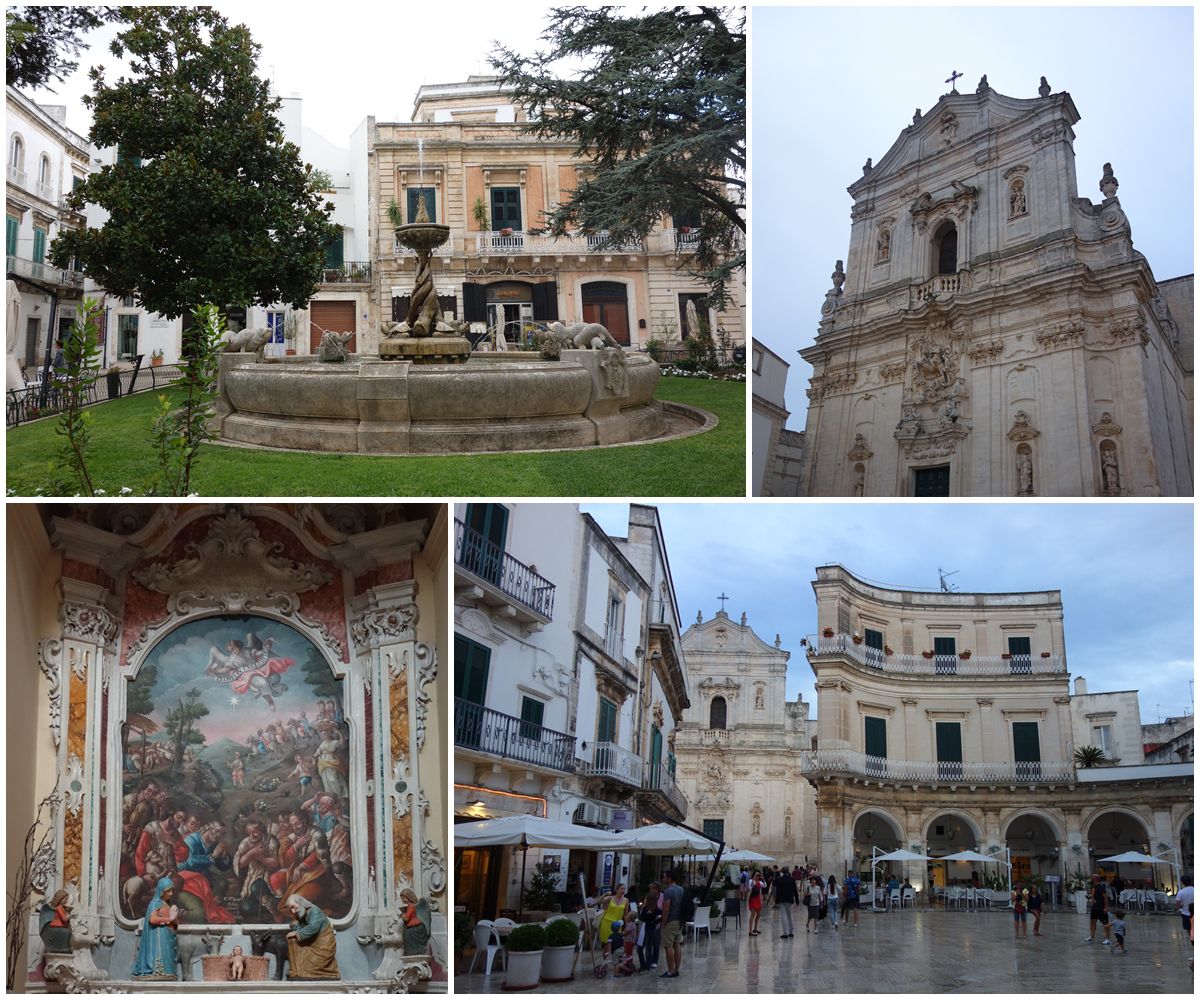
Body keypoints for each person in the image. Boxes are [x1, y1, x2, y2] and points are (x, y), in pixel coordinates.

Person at [131, 876, 179, 980]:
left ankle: (168, 971)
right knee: (160, 956)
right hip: (158, 937)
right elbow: (152, 920)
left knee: (168, 956)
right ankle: (158, 970)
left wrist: (174, 920)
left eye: (171, 891)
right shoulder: (155, 904)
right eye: (168, 891)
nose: (170, 894)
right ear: (162, 891)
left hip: (167, 936)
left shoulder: (165, 904)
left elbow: (172, 921)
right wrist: (169, 919)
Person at [285, 895, 340, 979]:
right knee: (292, 940)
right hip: (312, 942)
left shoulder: (315, 911)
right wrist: (296, 923)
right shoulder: (303, 913)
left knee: (308, 968)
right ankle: (295, 970)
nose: (293, 911)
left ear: (301, 903)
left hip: (323, 946)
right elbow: (302, 929)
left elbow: (313, 928)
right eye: (291, 910)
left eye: (293, 907)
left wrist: (295, 933)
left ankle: (329, 972)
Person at [659, 870, 684, 980]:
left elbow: (666, 908)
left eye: (664, 877)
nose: (663, 879)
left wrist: (663, 923)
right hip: (679, 920)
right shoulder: (681, 889)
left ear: (669, 878)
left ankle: (670, 971)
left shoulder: (668, 891)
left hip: (670, 921)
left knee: (668, 946)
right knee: (677, 944)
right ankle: (677, 969)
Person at [597, 884, 630, 962]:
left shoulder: (626, 900)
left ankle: (617, 963)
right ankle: (605, 963)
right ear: (617, 889)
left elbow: (625, 915)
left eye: (624, 889)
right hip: (607, 922)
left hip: (617, 924)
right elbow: (599, 901)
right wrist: (605, 894)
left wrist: (626, 926)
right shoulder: (610, 898)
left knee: (617, 944)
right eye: (621, 888)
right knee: (606, 944)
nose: (623, 890)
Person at [637, 882, 661, 971]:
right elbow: (641, 917)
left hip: (650, 929)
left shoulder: (655, 909)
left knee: (648, 948)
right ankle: (643, 964)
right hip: (644, 928)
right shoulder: (645, 908)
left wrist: (651, 918)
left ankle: (648, 966)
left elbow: (657, 919)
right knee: (639, 948)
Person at [773, 866, 797, 938]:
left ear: (782, 872)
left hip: (782, 900)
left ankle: (785, 933)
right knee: (789, 915)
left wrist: (776, 901)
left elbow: (778, 891)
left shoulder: (780, 880)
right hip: (789, 899)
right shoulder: (792, 879)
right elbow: (795, 890)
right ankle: (791, 931)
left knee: (784, 916)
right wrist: (797, 900)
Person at [1086, 878, 1110, 944]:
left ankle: (1108, 938)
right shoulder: (1093, 887)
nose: (1091, 879)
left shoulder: (1101, 887)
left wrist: (1106, 907)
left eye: (1092, 878)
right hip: (1094, 908)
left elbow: (1105, 897)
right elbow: (1093, 896)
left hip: (1101, 908)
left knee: (1105, 923)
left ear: (1095, 880)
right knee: (1092, 921)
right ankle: (1092, 936)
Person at [747, 869, 766, 936]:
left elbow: (764, 885)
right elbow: (750, 887)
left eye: (758, 875)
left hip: (758, 899)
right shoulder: (751, 881)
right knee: (752, 915)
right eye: (757, 875)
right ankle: (750, 931)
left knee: (758, 914)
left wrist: (762, 878)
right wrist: (754, 878)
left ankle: (755, 928)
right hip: (753, 899)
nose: (758, 876)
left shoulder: (759, 882)